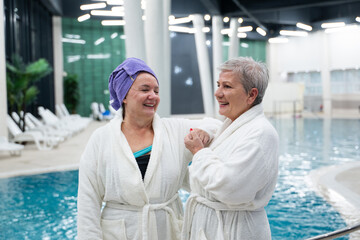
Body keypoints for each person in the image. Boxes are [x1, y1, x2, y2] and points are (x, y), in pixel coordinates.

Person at [77, 57, 220, 240]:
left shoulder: (174, 131)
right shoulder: (101, 139)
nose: (153, 96)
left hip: (166, 231)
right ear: (124, 96)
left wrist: (204, 132)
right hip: (119, 233)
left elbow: (216, 126)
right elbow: (88, 201)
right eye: (145, 89)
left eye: (156, 90)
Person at [182, 57, 279, 240]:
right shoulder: (232, 127)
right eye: (218, 85)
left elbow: (230, 188)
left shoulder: (260, 134)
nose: (218, 93)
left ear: (251, 95)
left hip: (234, 231)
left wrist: (199, 152)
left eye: (227, 86)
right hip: (212, 224)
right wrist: (208, 140)